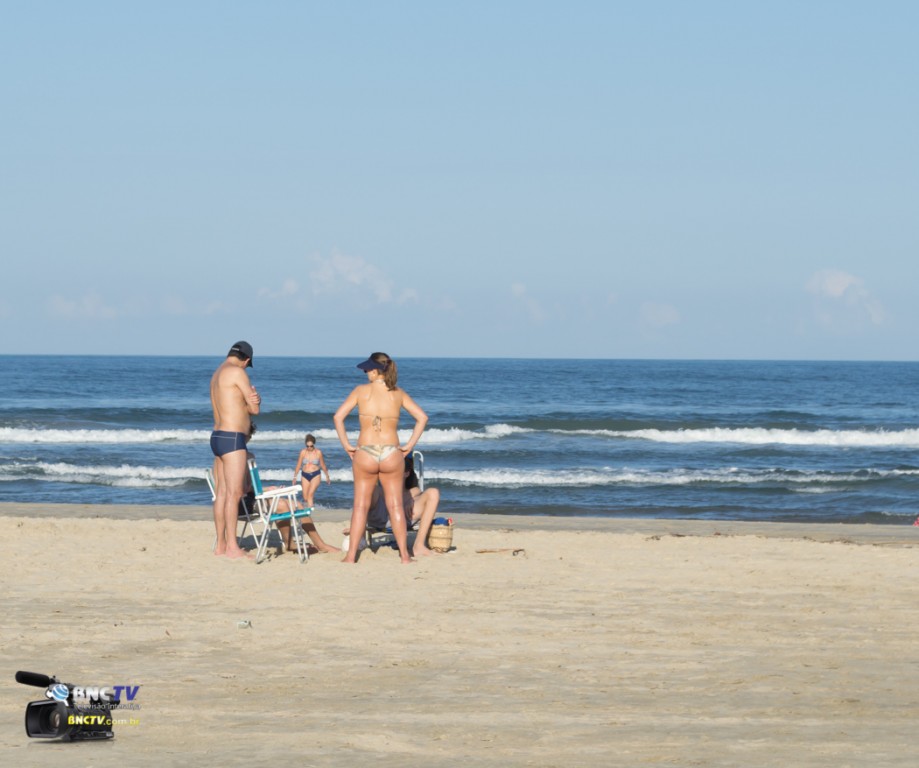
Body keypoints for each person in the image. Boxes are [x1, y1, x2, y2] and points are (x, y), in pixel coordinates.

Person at [333, 352, 427, 563]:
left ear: (376, 370)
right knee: (395, 506)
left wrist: (347, 445)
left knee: (360, 506)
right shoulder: (398, 393)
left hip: (365, 451)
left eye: (367, 369)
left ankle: (351, 556)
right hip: (391, 452)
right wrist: (409, 446)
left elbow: (338, 417)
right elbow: (422, 417)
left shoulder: (360, 391)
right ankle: (405, 556)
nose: (366, 372)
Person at [242, 424, 338, 555]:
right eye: (246, 436)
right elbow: (242, 488)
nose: (248, 439)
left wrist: (267, 489)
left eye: (249, 436)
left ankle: (321, 545)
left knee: (298, 505)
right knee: (281, 504)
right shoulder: (236, 458)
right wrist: (265, 491)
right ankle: (289, 544)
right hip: (245, 503)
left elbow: (250, 486)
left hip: (255, 497)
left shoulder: (248, 456)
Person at [209, 341, 260, 558]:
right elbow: (254, 409)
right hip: (233, 438)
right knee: (234, 493)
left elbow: (231, 404)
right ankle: (232, 546)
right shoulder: (238, 372)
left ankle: (220, 546)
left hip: (218, 437)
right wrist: (256, 400)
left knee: (221, 493)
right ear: (246, 360)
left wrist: (245, 403)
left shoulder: (217, 374)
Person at [356, 453, 442, 557]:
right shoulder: (378, 491)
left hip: (404, 517)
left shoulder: (412, 492)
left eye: (396, 470)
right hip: (382, 517)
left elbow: (418, 492)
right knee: (370, 488)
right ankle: (360, 537)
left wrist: (411, 499)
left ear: (406, 473)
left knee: (433, 492)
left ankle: (419, 546)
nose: (392, 473)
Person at [292, 433, 331, 509]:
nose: (309, 448)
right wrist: (294, 477)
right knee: (305, 497)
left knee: (310, 495)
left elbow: (323, 465)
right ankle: (310, 507)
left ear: (314, 444)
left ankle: (311, 511)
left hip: (315, 475)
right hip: (304, 475)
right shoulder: (303, 452)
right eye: (307, 446)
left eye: (311, 446)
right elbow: (298, 465)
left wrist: (327, 476)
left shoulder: (318, 452)